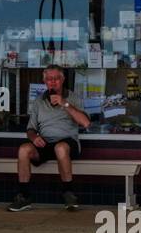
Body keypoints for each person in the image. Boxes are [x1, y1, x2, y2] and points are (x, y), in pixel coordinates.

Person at [8, 65, 90, 212]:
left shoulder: (73, 97)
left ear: (63, 79)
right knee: (23, 149)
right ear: (44, 81)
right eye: (49, 79)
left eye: (56, 79)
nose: (53, 82)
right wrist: (34, 138)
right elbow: (31, 129)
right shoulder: (39, 101)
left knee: (60, 147)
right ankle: (24, 196)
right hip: (45, 143)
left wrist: (64, 103)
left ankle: (68, 193)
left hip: (67, 143)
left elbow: (85, 122)